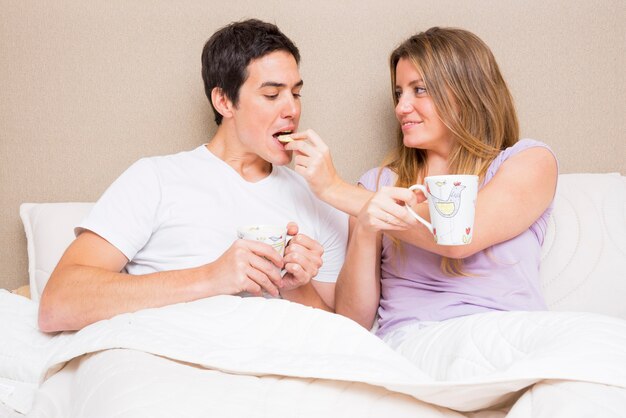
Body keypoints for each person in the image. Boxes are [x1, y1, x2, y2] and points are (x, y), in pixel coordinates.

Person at [38, 19, 348, 332]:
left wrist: (294, 286)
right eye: (271, 95)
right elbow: (58, 304)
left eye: (296, 94)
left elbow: (340, 335)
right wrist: (212, 277)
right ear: (224, 101)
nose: (292, 110)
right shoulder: (156, 179)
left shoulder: (317, 197)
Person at [284, 27, 558, 347]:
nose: (401, 107)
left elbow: (458, 236)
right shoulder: (376, 185)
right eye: (399, 93)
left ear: (467, 92)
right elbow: (352, 321)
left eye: (420, 89)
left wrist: (334, 189)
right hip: (416, 342)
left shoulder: (530, 161)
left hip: (513, 334)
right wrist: (366, 219)